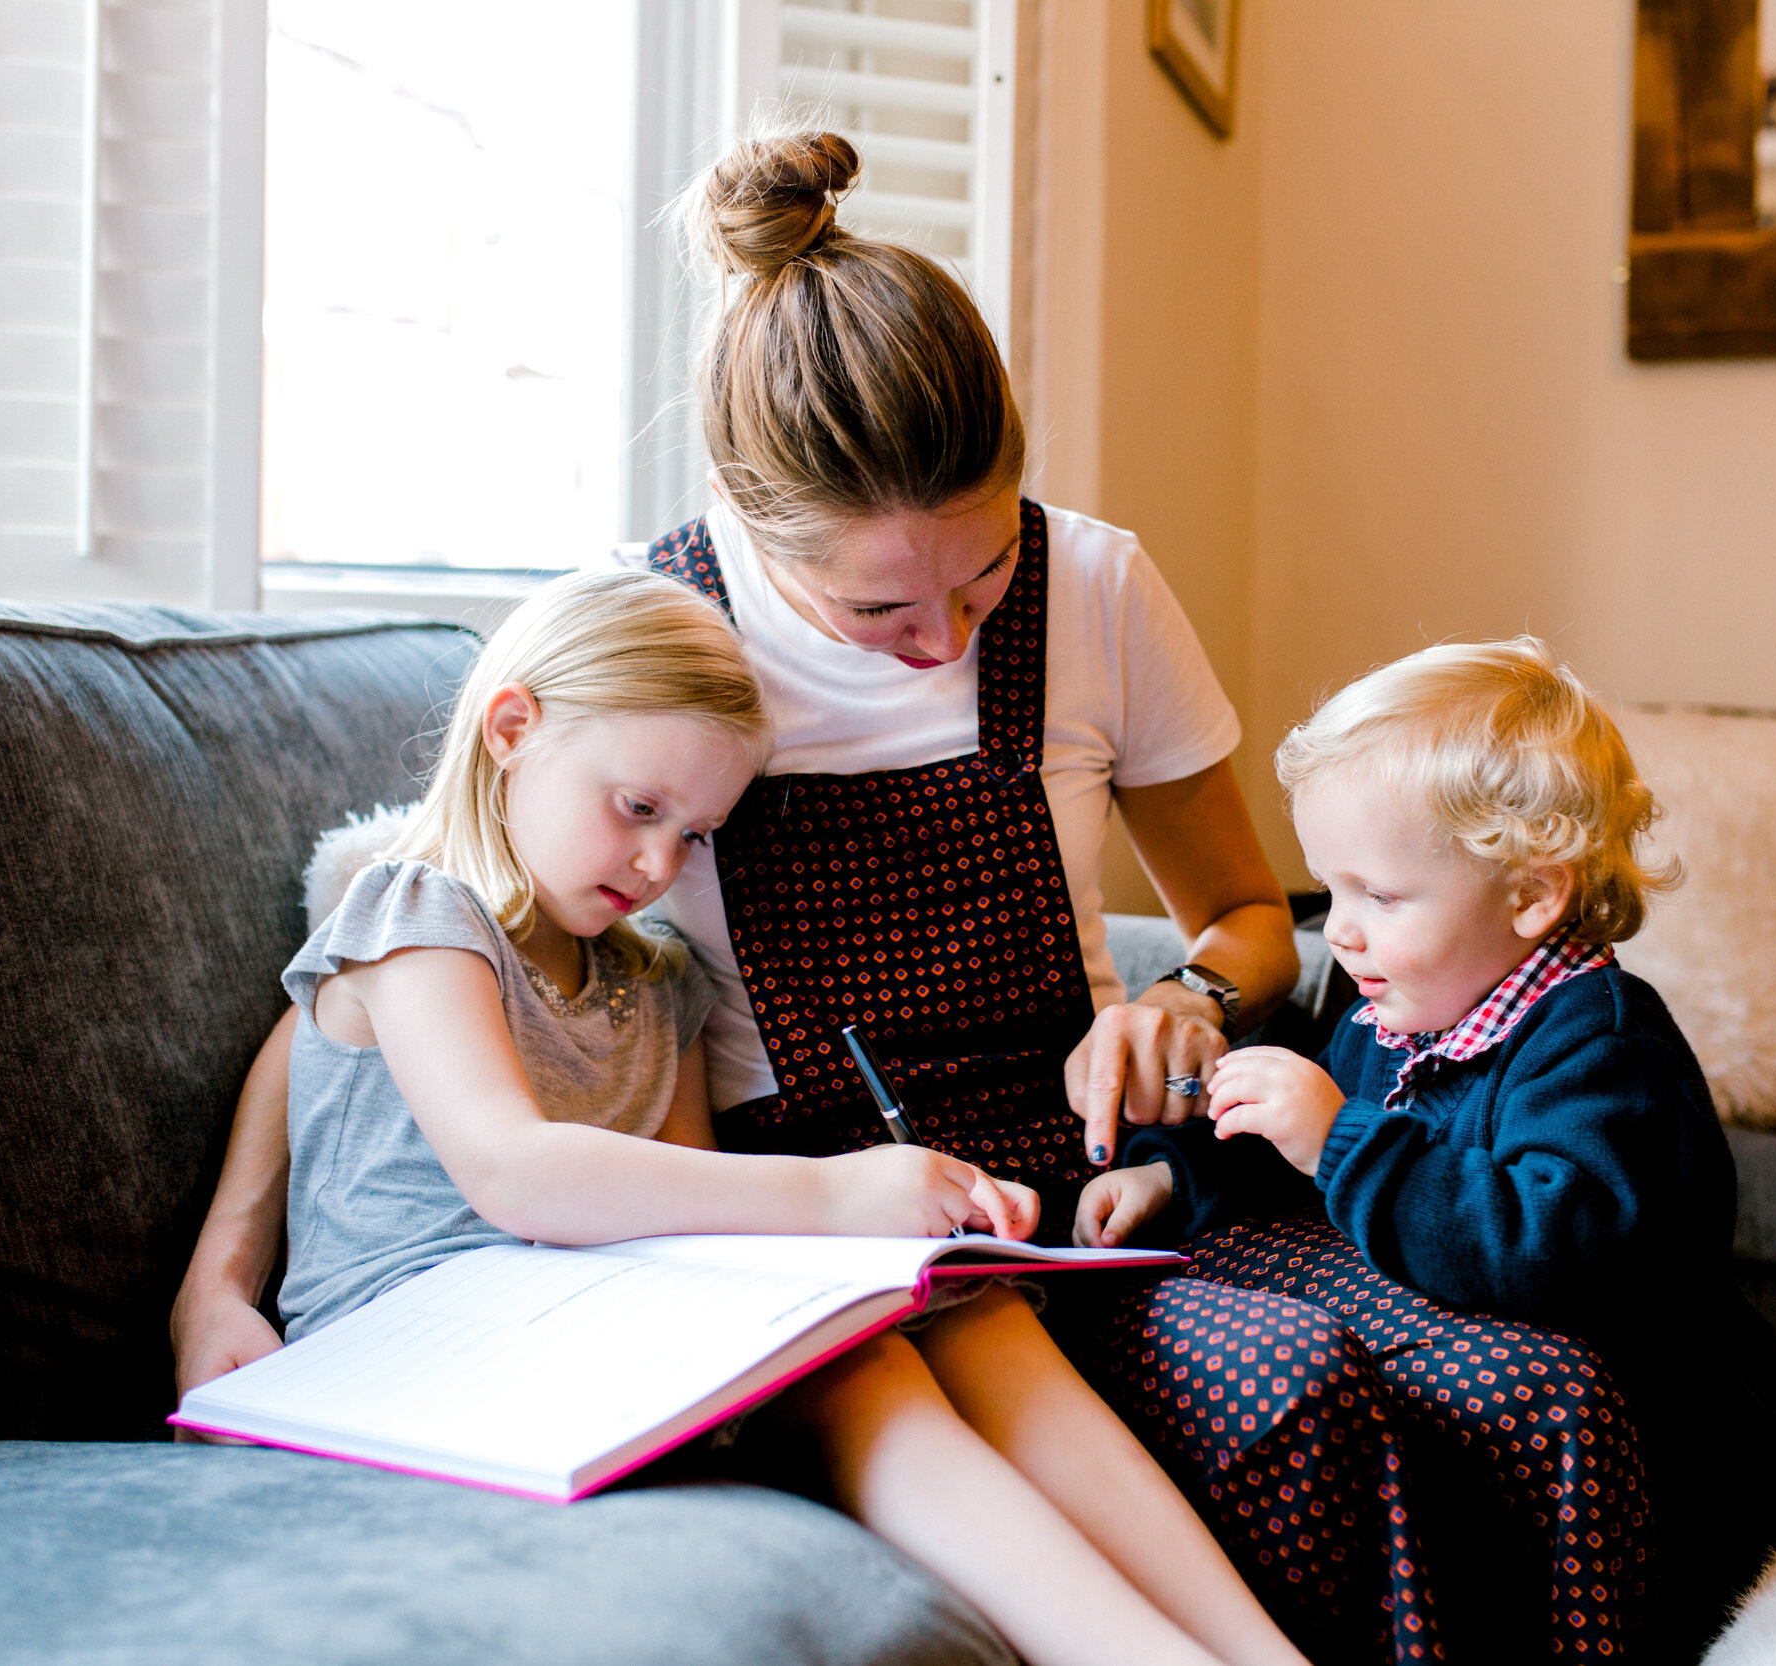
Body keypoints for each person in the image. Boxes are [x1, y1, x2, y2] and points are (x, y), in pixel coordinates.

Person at [172, 128, 1643, 1662]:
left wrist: (1185, 999)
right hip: (792, 1198)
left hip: (1060, 1184)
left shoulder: (1098, 589)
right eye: (878, 606)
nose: (943, 641)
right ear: (756, 538)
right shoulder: (655, 666)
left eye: (984, 576)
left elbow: (1250, 923)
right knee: (1267, 1398)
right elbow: (364, 984)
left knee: (1508, 1382)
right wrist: (217, 1278)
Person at [261, 565, 1310, 1666]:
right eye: (637, 808)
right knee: (850, 1369)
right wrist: (833, 1188)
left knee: (965, 1309)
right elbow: (511, 1171)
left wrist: (922, 1219)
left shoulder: (653, 980)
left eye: (696, 835)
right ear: (513, 728)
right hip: (408, 1344)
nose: (660, 862)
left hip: (566, 1316)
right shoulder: (416, 910)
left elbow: (692, 1217)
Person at [1079, 638, 1776, 1659]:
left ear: (1530, 896)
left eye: (1378, 896)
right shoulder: (1393, 1002)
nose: (1336, 934)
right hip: (1472, 1382)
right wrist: (1179, 1173)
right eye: (1327, 892)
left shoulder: (1600, 1045)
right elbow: (1301, 1170)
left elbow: (1542, 1250)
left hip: (1652, 1455)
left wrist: (1341, 1135)